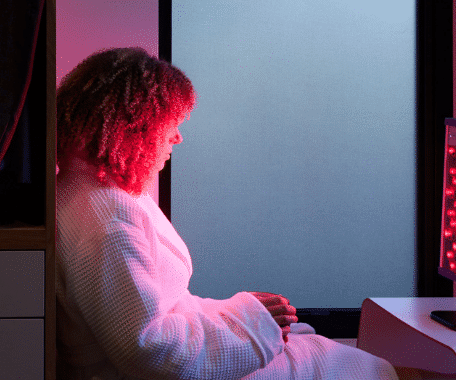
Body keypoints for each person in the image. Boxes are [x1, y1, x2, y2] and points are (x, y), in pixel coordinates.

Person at [55, 47, 398, 380]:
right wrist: (251, 324)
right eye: (170, 124)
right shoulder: (109, 218)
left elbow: (158, 313)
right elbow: (148, 349)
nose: (177, 138)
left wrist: (240, 312)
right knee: (362, 368)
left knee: (319, 345)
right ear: (134, 127)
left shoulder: (86, 192)